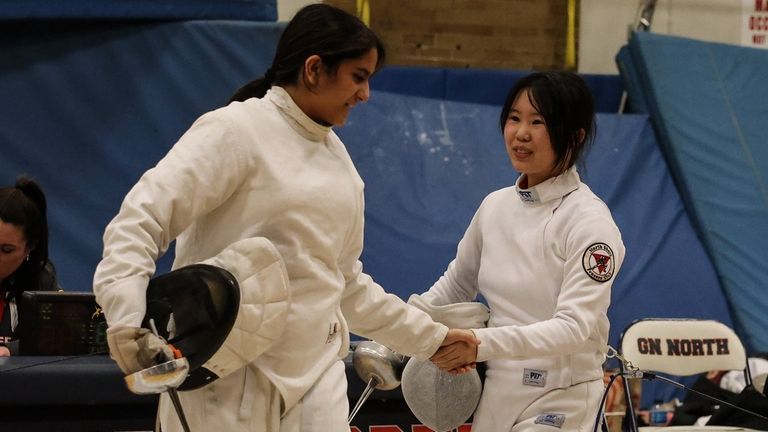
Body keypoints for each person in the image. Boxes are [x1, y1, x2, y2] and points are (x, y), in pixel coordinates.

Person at [92, 4, 477, 432]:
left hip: (316, 383)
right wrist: (126, 322)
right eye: (358, 76)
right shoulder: (234, 131)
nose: (365, 94)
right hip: (224, 379)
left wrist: (433, 339)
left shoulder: (341, 167)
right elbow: (140, 220)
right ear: (314, 69)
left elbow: (344, 286)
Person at [425, 71, 626, 431]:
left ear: (575, 135)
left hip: (562, 397)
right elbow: (454, 287)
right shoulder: (494, 207)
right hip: (498, 393)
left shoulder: (590, 223)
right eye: (515, 118)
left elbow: (573, 328)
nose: (521, 133)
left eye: (538, 122)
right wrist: (400, 329)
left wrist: (477, 343)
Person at [0, 176, 59, 356]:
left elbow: (55, 338)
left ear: (29, 249)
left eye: (6, 250)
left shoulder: (43, 278)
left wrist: (9, 351)